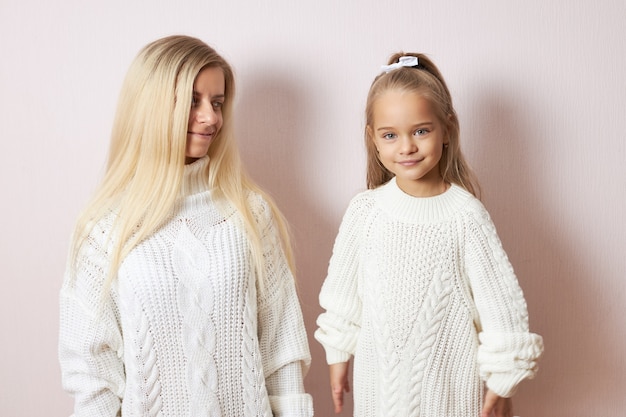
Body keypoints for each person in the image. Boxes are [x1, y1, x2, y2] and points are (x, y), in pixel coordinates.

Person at [59, 35, 313, 417]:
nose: (211, 117)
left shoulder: (249, 212)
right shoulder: (104, 228)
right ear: (151, 106)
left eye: (217, 102)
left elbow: (282, 348)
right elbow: (92, 371)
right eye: (193, 101)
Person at [314, 53, 543, 417]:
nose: (406, 147)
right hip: (377, 398)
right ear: (372, 138)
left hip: (449, 399)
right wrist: (338, 354)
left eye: (421, 131)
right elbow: (343, 296)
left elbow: (500, 308)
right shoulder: (365, 211)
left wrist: (502, 382)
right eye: (390, 135)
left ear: (448, 129)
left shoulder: (466, 217)